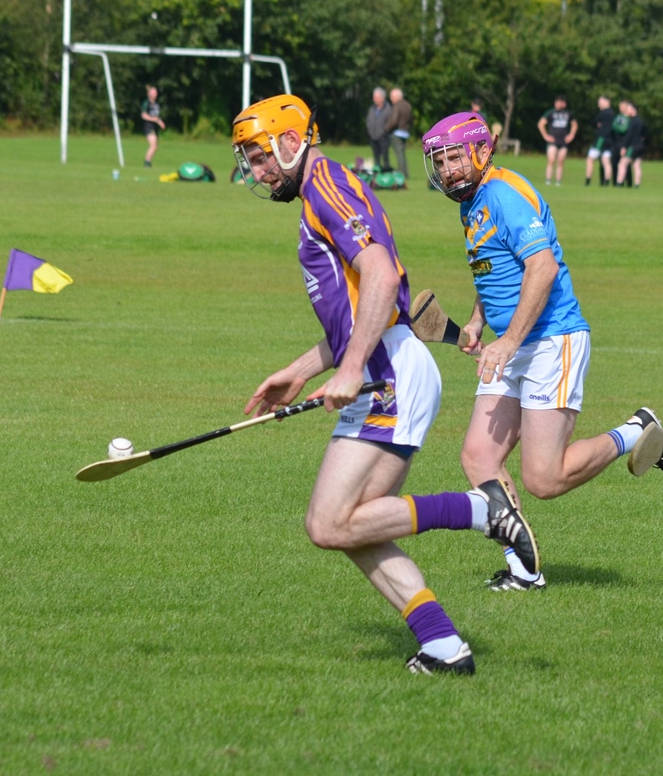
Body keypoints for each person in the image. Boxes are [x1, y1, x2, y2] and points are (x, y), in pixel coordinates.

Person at [230, 95, 539, 675]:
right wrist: (302, 369)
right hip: (388, 366)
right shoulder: (323, 186)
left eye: (258, 156)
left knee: (328, 523)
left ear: (290, 142)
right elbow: (358, 307)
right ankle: (444, 646)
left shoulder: (325, 184)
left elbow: (379, 276)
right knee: (355, 524)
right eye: (249, 160)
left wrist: (351, 371)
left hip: (388, 373)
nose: (255, 170)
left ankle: (479, 510)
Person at [421, 112, 663, 590]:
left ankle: (638, 429)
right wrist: (479, 321)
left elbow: (540, 269)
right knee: (480, 457)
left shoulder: (504, 193)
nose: (447, 170)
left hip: (550, 340)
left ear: (482, 150)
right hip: (512, 344)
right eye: (439, 162)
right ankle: (524, 570)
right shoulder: (472, 201)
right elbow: (494, 267)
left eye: (455, 157)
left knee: (544, 479)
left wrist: (509, 340)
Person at [538, 95, 578, 186]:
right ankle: (548, 180)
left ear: (564, 104)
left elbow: (575, 125)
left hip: (563, 141)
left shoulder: (568, 114)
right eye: (556, 102)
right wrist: (545, 136)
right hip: (553, 141)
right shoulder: (550, 113)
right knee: (551, 160)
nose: (557, 104)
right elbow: (541, 124)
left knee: (560, 161)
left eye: (559, 103)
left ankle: (558, 181)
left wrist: (571, 135)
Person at [585, 95, 615, 187]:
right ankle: (606, 183)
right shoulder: (613, 113)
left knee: (590, 159)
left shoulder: (603, 113)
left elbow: (594, 122)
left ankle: (588, 181)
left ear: (607, 102)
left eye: (600, 103)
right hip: (610, 139)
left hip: (601, 139)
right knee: (606, 161)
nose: (599, 105)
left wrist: (599, 125)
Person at [615, 101, 645, 188]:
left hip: (633, 146)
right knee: (636, 166)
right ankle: (637, 185)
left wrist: (624, 146)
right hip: (640, 146)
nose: (626, 111)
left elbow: (629, 135)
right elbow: (645, 134)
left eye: (628, 109)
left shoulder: (632, 121)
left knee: (622, 164)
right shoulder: (640, 121)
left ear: (633, 110)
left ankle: (619, 183)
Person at [386, 88, 413, 180]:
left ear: (398, 97)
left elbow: (393, 121)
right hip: (405, 132)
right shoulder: (408, 105)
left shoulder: (397, 106)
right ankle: (405, 172)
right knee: (402, 153)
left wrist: (386, 129)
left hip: (397, 132)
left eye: (392, 97)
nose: (391, 99)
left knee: (399, 154)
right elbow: (411, 120)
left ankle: (402, 174)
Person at [366, 87, 392, 173]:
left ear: (382, 98)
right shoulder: (372, 109)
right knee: (376, 156)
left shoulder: (388, 109)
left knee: (385, 155)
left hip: (383, 137)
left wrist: (384, 131)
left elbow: (390, 122)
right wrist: (370, 131)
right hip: (373, 136)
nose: (374, 99)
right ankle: (377, 171)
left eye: (376, 98)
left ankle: (386, 172)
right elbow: (368, 121)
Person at [140, 85, 164, 168]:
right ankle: (147, 162)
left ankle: (148, 161)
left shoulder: (157, 104)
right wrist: (154, 119)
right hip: (148, 126)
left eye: (156, 92)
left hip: (154, 127)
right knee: (153, 145)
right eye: (153, 92)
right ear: (149, 94)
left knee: (155, 146)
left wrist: (160, 122)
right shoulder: (146, 103)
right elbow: (143, 115)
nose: (155, 94)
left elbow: (156, 116)